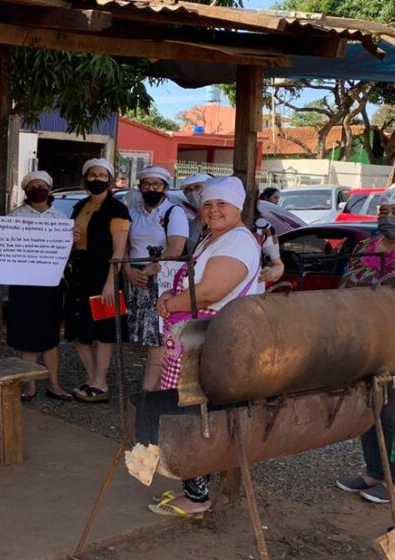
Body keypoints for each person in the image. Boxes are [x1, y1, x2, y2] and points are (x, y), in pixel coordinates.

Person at [145, 176, 264, 517]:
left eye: (221, 204)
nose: (213, 210)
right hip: (197, 338)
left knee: (198, 417)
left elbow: (210, 292)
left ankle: (198, 498)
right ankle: (193, 488)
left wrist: (170, 303)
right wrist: (171, 297)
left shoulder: (238, 242)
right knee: (190, 413)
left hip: (213, 342)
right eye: (208, 204)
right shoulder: (214, 239)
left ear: (237, 208)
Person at [332, 183, 395, 504]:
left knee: (393, 410)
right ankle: (372, 471)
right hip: (360, 337)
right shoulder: (366, 245)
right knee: (368, 405)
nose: (389, 218)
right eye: (384, 212)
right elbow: (345, 281)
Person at [66, 158, 130, 404]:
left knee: (104, 333)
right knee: (79, 331)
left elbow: (119, 250)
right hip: (80, 275)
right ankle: (92, 378)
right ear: (85, 178)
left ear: (110, 179)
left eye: (102, 175)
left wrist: (110, 283)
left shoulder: (118, 210)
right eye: (92, 174)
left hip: (105, 276)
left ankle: (101, 382)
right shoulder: (79, 206)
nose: (97, 179)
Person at [5, 171, 73, 401]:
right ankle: (30, 385)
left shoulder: (61, 219)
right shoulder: (13, 217)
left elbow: (68, 252)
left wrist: (75, 240)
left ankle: (54, 384)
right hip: (24, 285)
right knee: (27, 336)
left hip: (51, 284)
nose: (37, 189)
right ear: (26, 191)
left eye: (41, 185)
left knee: (50, 336)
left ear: (49, 190)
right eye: (32, 186)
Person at [124, 166, 188, 395]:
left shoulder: (174, 212)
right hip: (136, 279)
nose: (151, 188)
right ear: (140, 187)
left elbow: (176, 248)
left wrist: (152, 268)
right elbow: (125, 245)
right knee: (146, 337)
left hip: (161, 280)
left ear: (165, 187)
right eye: (146, 184)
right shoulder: (133, 211)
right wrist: (128, 269)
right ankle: (154, 386)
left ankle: (148, 390)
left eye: (156, 184)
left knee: (158, 337)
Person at [172, 173, 212, 252]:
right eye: (188, 190)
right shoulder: (189, 225)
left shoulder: (223, 221)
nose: (193, 193)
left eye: (197, 187)